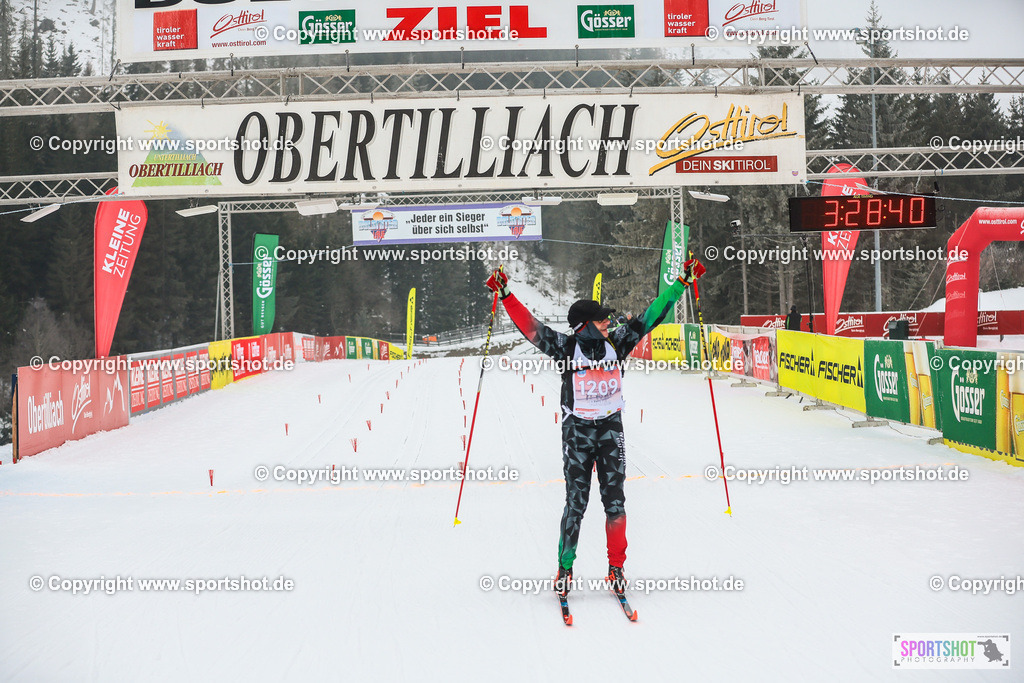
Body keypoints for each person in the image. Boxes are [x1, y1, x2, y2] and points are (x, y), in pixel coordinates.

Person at [485, 259, 706, 598]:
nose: (608, 322)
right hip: (577, 434)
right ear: (584, 326)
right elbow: (531, 328)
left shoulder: (617, 342)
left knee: (615, 504)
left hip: (610, 432)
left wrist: (680, 284)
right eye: (601, 319)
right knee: (576, 504)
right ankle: (565, 568)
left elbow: (651, 316)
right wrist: (506, 295)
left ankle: (616, 569)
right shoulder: (565, 348)